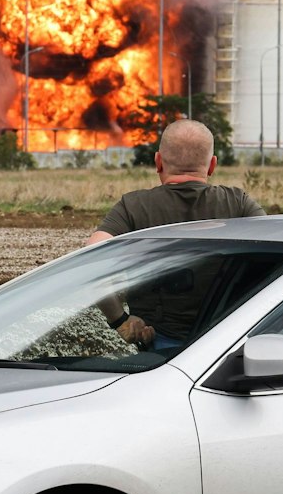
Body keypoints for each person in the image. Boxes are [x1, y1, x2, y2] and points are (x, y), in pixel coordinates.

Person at [88, 119, 263, 348]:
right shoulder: (238, 203)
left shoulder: (134, 206)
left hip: (158, 343)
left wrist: (119, 319)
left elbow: (92, 254)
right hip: (226, 342)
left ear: (158, 162)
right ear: (212, 165)